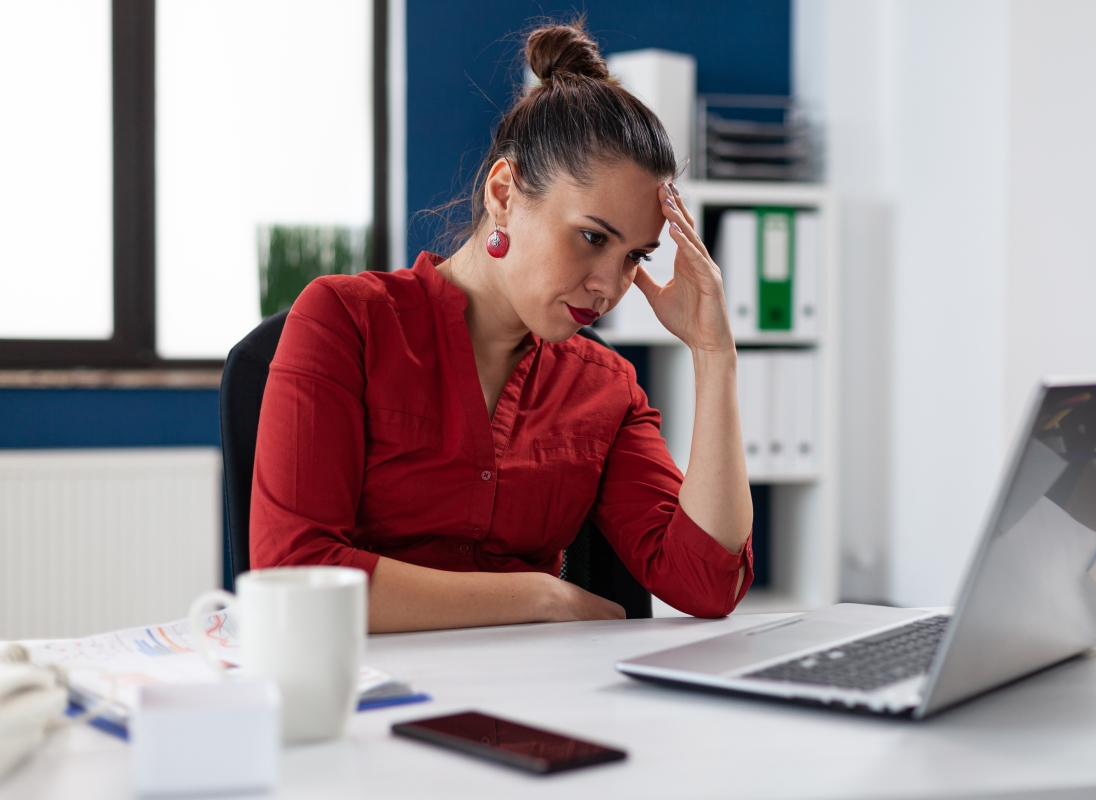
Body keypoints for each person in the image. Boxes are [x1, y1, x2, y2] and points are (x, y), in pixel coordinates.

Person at [250, 21, 754, 633]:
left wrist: (713, 353)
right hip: (366, 700)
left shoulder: (607, 389)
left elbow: (707, 583)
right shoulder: (344, 322)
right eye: (592, 237)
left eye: (634, 256)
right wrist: (543, 598)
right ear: (504, 192)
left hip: (531, 706)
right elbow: (294, 577)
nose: (610, 284)